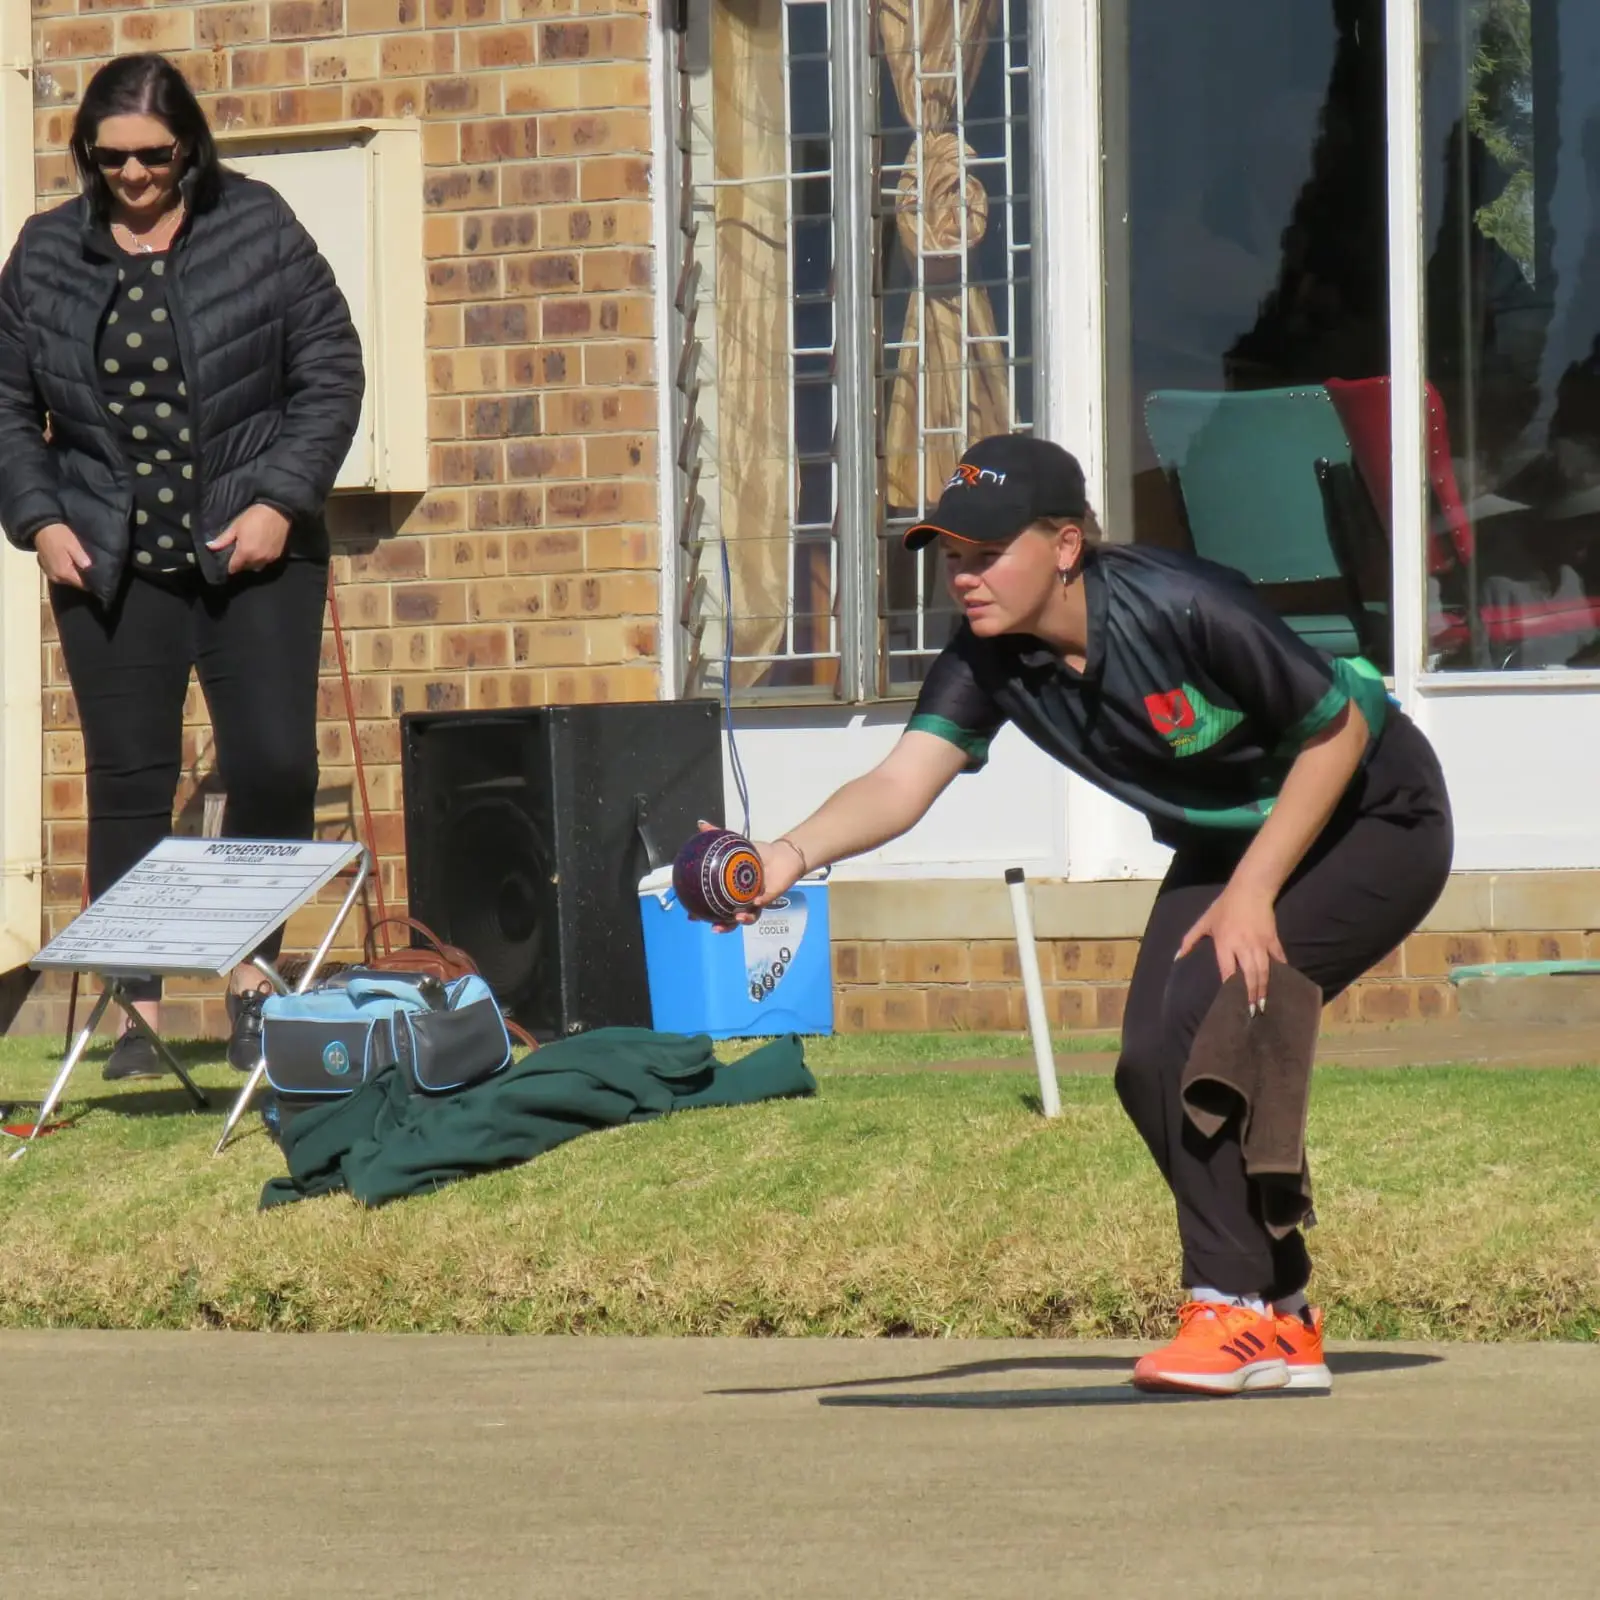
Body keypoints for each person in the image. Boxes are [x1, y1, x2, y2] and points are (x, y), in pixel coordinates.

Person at [728, 433, 1453, 1396]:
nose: (967, 578)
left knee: (1204, 1004)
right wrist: (785, 856)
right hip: (1234, 837)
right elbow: (903, 781)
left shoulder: (1182, 602)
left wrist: (1253, 892)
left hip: (1374, 813)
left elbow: (1339, 727)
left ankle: (1227, 1305)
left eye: (989, 555)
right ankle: (1279, 1318)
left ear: (1065, 546)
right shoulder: (989, 659)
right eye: (953, 558)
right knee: (1148, 1062)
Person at [0, 54, 364, 1079]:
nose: (133, 175)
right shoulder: (43, 254)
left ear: (189, 146)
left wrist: (280, 501)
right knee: (128, 780)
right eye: (109, 157)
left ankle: (254, 985)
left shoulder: (258, 226)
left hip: (250, 551)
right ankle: (137, 1014)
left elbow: (330, 371)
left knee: (275, 767)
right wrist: (40, 520)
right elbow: (5, 407)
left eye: (153, 155)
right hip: (108, 559)